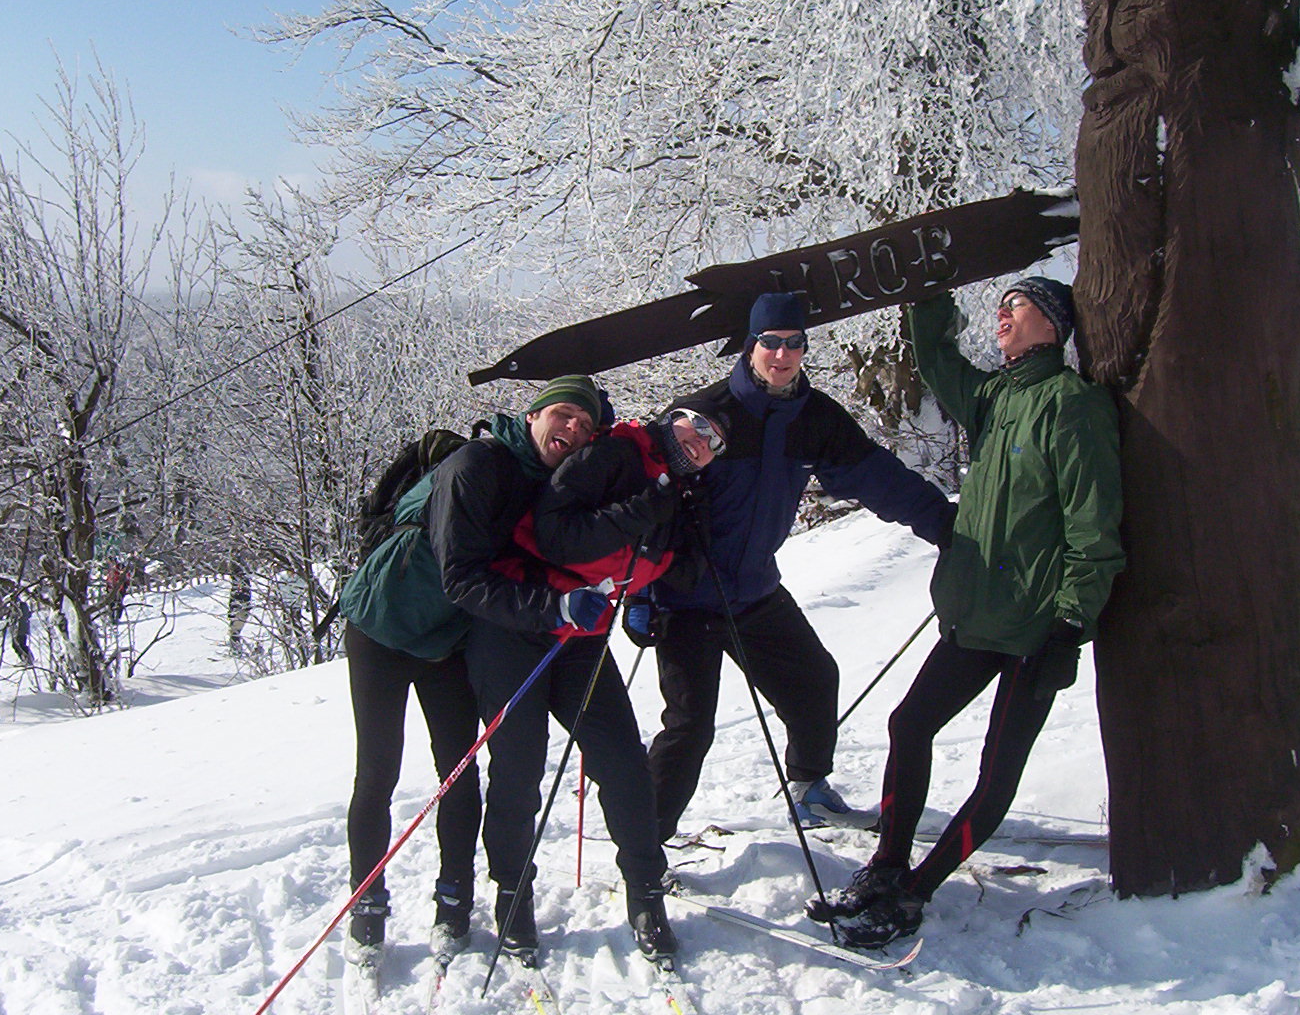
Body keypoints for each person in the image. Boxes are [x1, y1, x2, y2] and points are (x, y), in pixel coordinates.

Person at [813, 277, 1125, 949]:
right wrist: (928, 291)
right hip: (973, 616)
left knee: (996, 772)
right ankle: (887, 867)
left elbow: (1093, 529)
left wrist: (1070, 626)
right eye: (1002, 305)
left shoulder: (1070, 405)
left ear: (1053, 325)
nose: (1003, 314)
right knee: (909, 725)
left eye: (1018, 306)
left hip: (1034, 630)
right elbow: (939, 362)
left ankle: (917, 892)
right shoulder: (995, 398)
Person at [646, 291, 955, 840]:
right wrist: (640, 593)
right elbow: (646, 502)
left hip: (755, 592)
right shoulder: (706, 412)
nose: (782, 354)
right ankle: (645, 844)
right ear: (750, 346)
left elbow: (878, 477)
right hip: (687, 598)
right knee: (690, 728)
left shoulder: (816, 419)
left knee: (815, 683)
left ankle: (810, 790)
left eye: (794, 343)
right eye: (770, 342)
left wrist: (945, 525)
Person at [435, 384, 722, 963]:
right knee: (518, 769)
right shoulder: (615, 456)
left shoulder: (670, 483)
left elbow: (651, 558)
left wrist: (650, 590)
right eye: (690, 426)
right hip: (514, 629)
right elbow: (556, 536)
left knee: (622, 762)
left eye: (711, 441)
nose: (697, 441)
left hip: (582, 640)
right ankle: (512, 897)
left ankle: (646, 896)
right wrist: (647, 509)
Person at [334, 374, 601, 970]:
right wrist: (553, 608)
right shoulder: (476, 464)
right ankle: (367, 903)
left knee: (457, 769)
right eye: (563, 414)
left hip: (447, 638)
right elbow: (461, 574)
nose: (573, 430)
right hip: (382, 626)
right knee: (377, 771)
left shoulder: (547, 481)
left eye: (586, 426)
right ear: (533, 414)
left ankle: (454, 900)